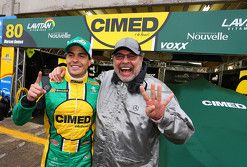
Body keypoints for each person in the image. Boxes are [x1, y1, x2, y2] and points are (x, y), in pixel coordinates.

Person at [50, 37, 194, 166]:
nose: (125, 61)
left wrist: (162, 118)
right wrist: (63, 69)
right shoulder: (104, 79)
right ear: (113, 60)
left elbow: (184, 134)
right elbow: (82, 80)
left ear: (141, 59)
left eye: (131, 56)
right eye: (119, 56)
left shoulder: (156, 90)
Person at [12, 36, 100, 167]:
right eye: (71, 55)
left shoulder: (98, 87)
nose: (75, 60)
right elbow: (18, 120)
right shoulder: (48, 84)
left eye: (81, 56)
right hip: (54, 159)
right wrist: (28, 100)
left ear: (89, 61)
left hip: (85, 160)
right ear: (66, 59)